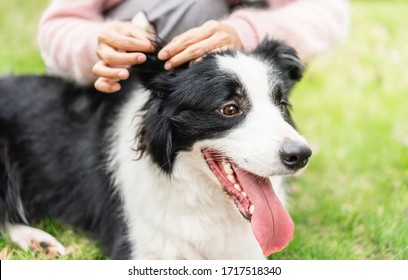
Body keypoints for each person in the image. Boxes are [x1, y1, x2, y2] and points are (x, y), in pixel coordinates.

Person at [38, 0, 349, 93]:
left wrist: (245, 31)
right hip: (112, 94)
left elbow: (327, 12)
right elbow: (57, 26)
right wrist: (98, 44)